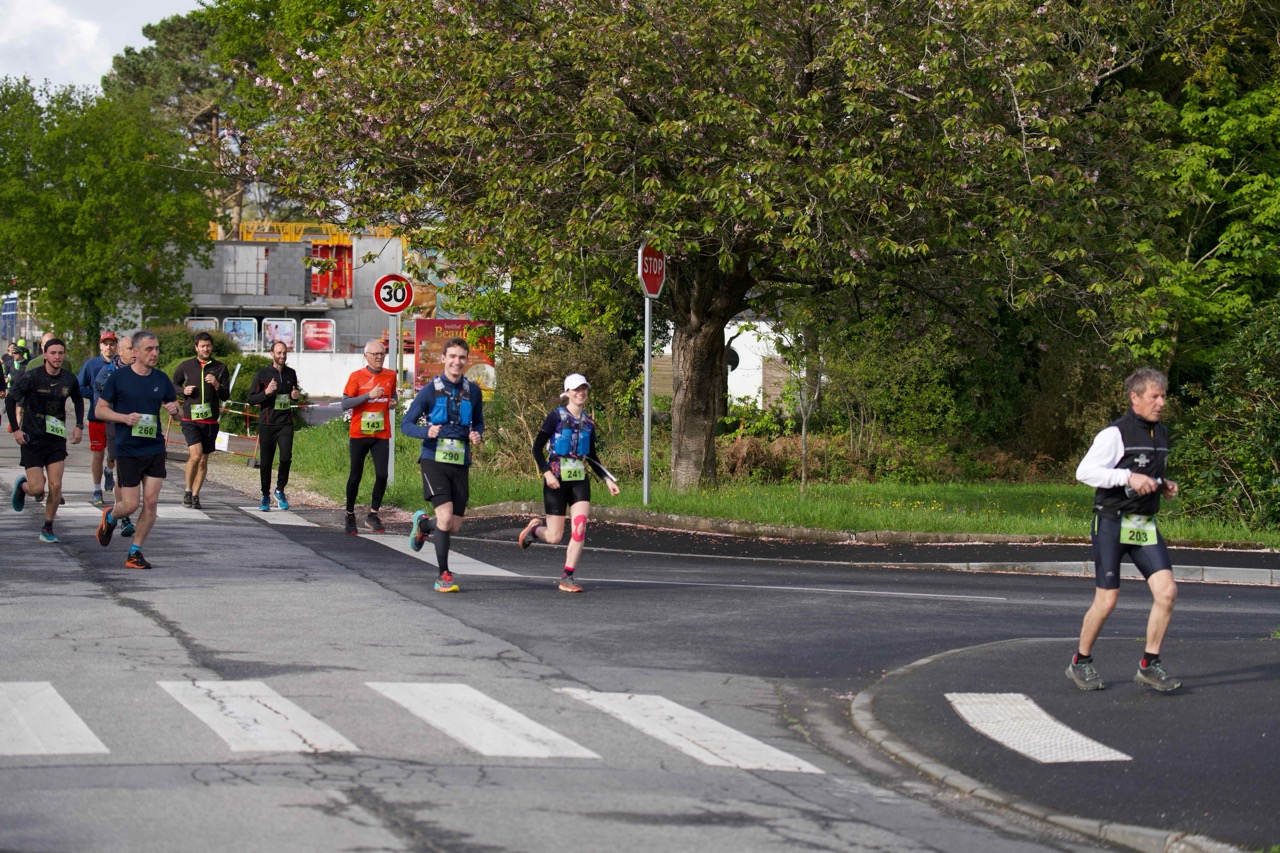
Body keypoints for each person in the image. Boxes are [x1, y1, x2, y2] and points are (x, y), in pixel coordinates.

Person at [1067, 367, 1182, 693]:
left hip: (1143, 523)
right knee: (1107, 600)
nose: (1161, 403)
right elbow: (1084, 472)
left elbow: (1145, 472)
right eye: (1154, 396)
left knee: (1167, 592)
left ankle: (1149, 664)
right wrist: (1127, 477)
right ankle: (1080, 662)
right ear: (1135, 398)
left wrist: (1162, 485)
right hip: (1111, 522)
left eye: (1163, 396)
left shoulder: (1161, 433)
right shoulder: (1114, 434)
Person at [517, 374, 621, 592]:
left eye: (584, 388)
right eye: (576, 389)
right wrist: (547, 473)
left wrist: (607, 479)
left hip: (579, 481)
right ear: (567, 393)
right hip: (555, 480)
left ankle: (568, 577)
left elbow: (591, 456)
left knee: (580, 527)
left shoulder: (588, 423)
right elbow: (536, 449)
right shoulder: (555, 417)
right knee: (554, 536)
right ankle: (534, 530)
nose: (581, 393)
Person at [401, 337, 485, 593]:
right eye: (452, 357)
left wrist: (477, 434)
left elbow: (479, 422)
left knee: (453, 525)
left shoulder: (474, 391)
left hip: (460, 461)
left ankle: (423, 525)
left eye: (461, 357)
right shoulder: (429, 391)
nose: (457, 362)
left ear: (467, 360)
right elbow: (406, 424)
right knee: (446, 518)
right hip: (433, 459)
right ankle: (443, 575)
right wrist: (425, 432)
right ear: (443, 359)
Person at [94, 330, 180, 570]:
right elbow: (100, 410)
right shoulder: (118, 378)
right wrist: (123, 418)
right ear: (135, 352)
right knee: (130, 505)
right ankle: (111, 516)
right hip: (128, 449)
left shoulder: (161, 379)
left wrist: (176, 410)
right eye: (149, 349)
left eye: (157, 349)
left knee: (151, 503)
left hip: (154, 447)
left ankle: (135, 552)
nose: (155, 353)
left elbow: (179, 413)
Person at [8, 338, 84, 543]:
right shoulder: (32, 377)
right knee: (36, 489)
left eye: (60, 353)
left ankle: (47, 527)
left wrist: (79, 425)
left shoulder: (69, 379)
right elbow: (10, 399)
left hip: (55, 440)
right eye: (53, 353)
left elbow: (78, 400)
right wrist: (16, 430)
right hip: (32, 438)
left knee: (56, 486)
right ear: (45, 355)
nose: (57, 357)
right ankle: (23, 487)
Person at [341, 339, 397, 534]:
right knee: (355, 475)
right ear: (366, 356)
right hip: (359, 433)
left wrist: (393, 402)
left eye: (382, 353)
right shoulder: (356, 376)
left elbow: (393, 394)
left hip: (381, 433)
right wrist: (368, 395)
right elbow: (345, 404)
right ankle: (349, 515)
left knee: (382, 475)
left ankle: (373, 515)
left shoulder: (391, 375)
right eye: (375, 354)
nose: (379, 357)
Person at [172, 332, 231, 509]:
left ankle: (196, 494)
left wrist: (216, 384)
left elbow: (226, 395)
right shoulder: (186, 366)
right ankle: (187, 490)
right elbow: (173, 385)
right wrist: (183, 391)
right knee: (195, 455)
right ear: (196, 347)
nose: (206, 349)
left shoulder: (220, 368)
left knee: (203, 460)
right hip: (191, 419)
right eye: (202, 346)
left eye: (208, 346)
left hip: (210, 421)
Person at [247, 341, 301, 512]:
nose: (282, 356)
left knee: (286, 458)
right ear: (271, 354)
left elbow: (293, 394)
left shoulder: (291, 373)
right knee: (266, 462)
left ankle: (280, 489)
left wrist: (295, 396)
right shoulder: (262, 374)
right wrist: (266, 392)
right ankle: (265, 495)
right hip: (267, 423)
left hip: (285, 423)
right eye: (279, 353)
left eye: (284, 353)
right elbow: (251, 399)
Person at [92, 332, 136, 537]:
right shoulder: (108, 371)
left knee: (133, 471)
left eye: (136, 349)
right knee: (122, 469)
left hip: (137, 425)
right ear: (120, 352)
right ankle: (124, 515)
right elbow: (99, 398)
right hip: (115, 424)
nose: (134, 353)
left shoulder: (143, 370)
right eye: (130, 349)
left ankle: (123, 505)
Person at [79, 331, 118, 506]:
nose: (109, 347)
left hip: (116, 416)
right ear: (100, 346)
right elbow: (80, 386)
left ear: (116, 346)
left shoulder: (121, 364)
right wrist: (96, 396)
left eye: (112, 344)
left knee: (114, 454)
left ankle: (109, 471)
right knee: (98, 453)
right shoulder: (91, 364)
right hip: (97, 416)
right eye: (105, 344)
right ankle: (96, 490)